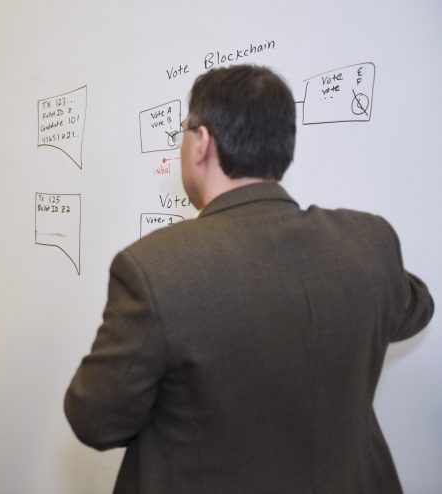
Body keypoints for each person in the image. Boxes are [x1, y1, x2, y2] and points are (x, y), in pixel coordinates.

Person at [64, 65, 434, 494]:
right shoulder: (368, 243)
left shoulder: (156, 267)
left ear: (201, 142)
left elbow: (96, 420)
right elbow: (415, 309)